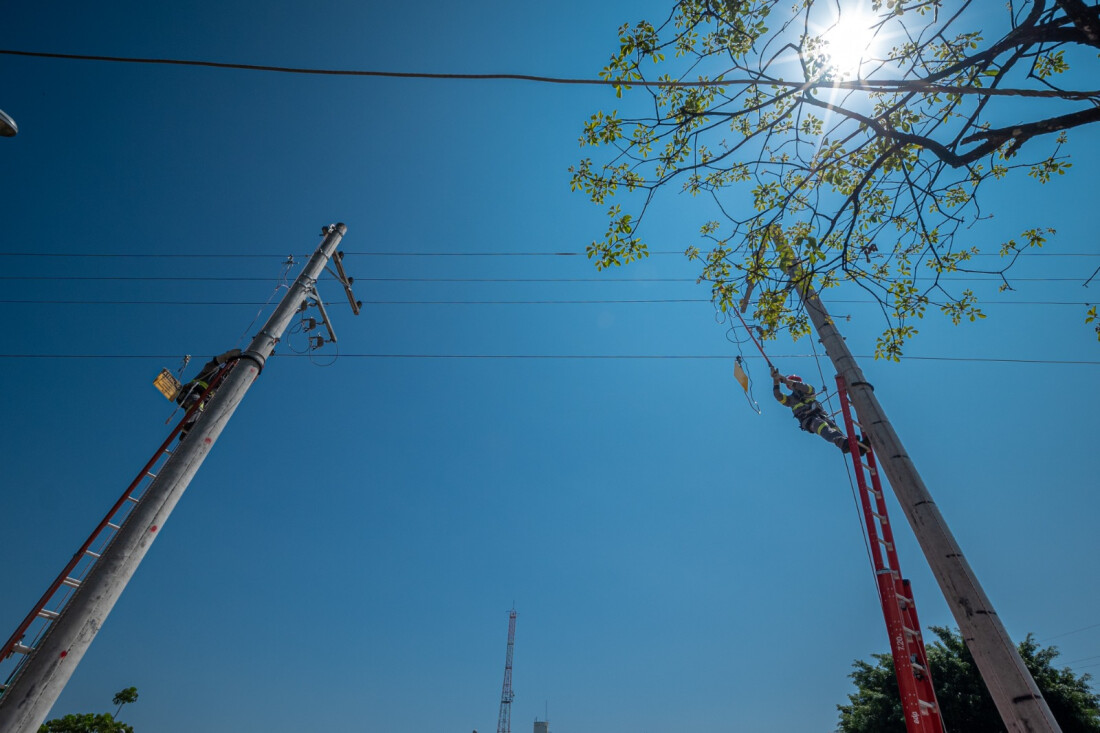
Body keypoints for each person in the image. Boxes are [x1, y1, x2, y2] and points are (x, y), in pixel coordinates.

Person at [771, 366, 863, 455]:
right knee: (822, 426)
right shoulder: (790, 400)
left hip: (821, 415)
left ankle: (857, 448)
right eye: (793, 382)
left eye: (796, 381)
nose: (795, 383)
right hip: (808, 420)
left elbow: (804, 387)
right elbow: (778, 396)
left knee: (835, 429)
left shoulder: (809, 389)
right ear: (789, 387)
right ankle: (843, 443)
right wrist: (776, 380)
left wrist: (786, 380)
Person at [176, 349, 241, 438]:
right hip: (191, 393)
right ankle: (189, 425)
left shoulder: (224, 383)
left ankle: (186, 435)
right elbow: (212, 364)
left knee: (204, 415)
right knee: (198, 405)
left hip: (203, 401)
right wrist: (226, 356)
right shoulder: (215, 370)